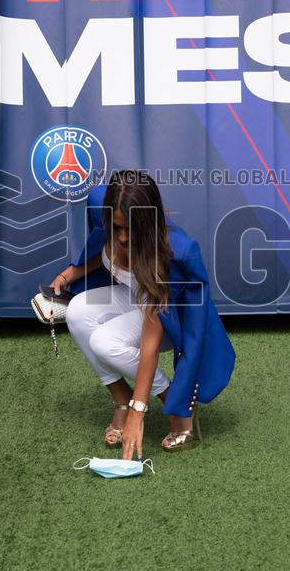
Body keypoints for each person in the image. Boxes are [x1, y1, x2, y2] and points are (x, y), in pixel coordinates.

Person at [53, 171, 235, 460]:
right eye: (116, 227)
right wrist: (65, 277)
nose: (123, 237)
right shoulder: (103, 205)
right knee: (76, 310)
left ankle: (175, 401)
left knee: (104, 342)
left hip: (168, 319)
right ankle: (121, 400)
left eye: (131, 230)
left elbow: (151, 339)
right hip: (131, 298)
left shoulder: (172, 252)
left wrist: (141, 410)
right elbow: (99, 249)